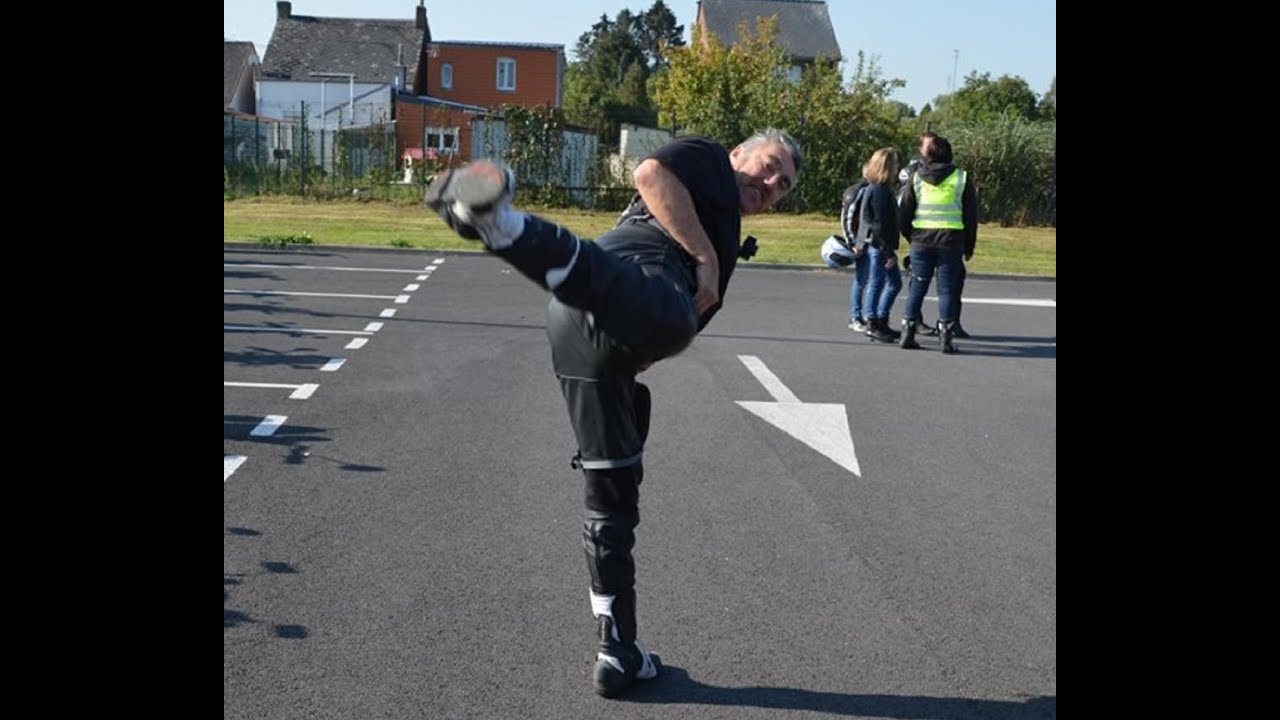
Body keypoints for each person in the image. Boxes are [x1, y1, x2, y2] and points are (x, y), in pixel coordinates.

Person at [423, 129, 801, 698]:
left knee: (612, 498)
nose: (771, 183)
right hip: (630, 278)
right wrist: (703, 257)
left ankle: (617, 649)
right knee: (674, 320)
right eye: (769, 165)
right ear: (738, 154)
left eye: (783, 185)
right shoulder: (708, 162)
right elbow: (650, 174)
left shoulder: (726, 220)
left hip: (583, 327)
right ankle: (505, 226)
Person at [897, 135, 977, 353]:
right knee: (946, 289)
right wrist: (969, 246)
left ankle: (907, 331)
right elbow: (970, 216)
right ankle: (946, 337)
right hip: (950, 241)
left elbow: (904, 212)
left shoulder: (916, 177)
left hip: (921, 240)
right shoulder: (961, 178)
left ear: (929, 155)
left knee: (917, 286)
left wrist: (911, 236)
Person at [853, 147, 903, 342]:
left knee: (892, 283)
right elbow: (878, 224)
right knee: (879, 283)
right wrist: (888, 252)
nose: (897, 168)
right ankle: (873, 321)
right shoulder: (880, 191)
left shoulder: (877, 189)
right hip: (879, 245)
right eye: (895, 164)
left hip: (879, 245)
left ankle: (881, 319)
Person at [839, 179, 871, 332]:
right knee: (861, 279)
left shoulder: (876, 189)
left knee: (877, 281)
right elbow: (847, 217)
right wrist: (852, 243)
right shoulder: (859, 191)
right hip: (862, 241)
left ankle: (870, 317)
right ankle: (855, 317)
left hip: (874, 241)